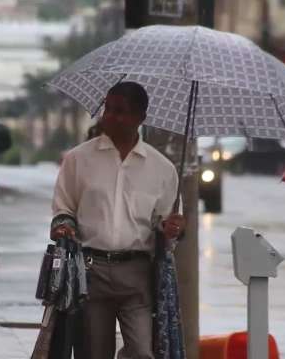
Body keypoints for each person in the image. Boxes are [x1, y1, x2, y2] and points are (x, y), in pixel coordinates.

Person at [50, 81, 185, 359]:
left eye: (120, 111)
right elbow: (64, 208)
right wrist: (64, 226)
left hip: (137, 276)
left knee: (142, 353)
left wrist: (172, 229)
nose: (110, 116)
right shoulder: (78, 159)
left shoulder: (163, 169)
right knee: (94, 353)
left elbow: (165, 225)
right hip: (90, 272)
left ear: (140, 118)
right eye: (107, 109)